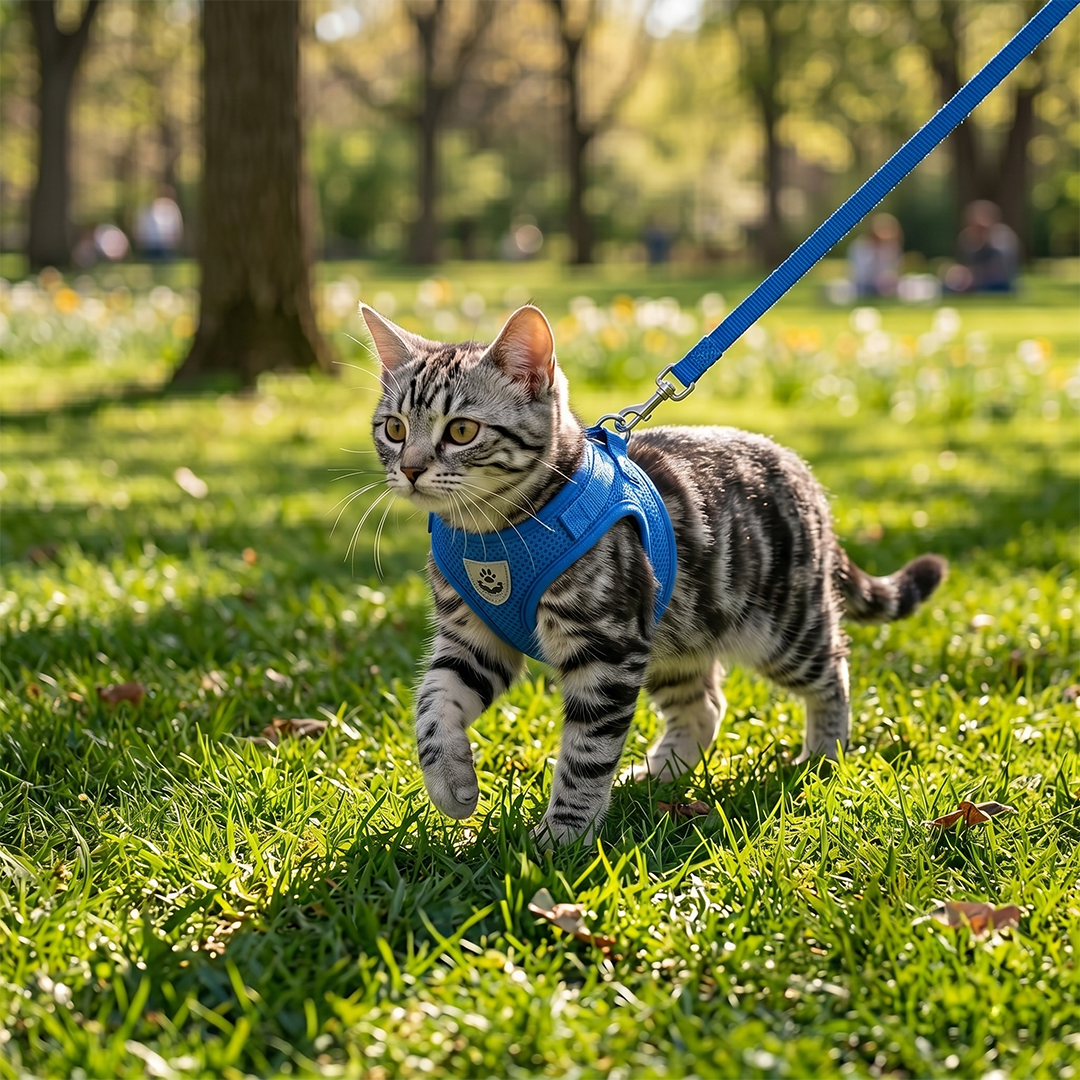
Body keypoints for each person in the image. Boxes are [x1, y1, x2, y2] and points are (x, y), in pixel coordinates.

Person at [944, 200, 1018, 293]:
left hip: (999, 285)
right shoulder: (966, 240)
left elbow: (1000, 272)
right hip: (974, 284)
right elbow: (964, 265)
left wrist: (973, 276)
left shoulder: (1002, 240)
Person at [848, 213, 903, 298]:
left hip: (886, 286)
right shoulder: (860, 246)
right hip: (863, 286)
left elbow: (895, 270)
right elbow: (861, 274)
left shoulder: (891, 247)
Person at [134, 186, 184, 260]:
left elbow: (176, 225)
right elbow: (142, 225)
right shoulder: (148, 208)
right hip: (150, 244)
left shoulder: (172, 208)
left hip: (166, 245)